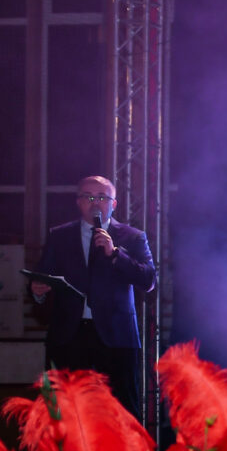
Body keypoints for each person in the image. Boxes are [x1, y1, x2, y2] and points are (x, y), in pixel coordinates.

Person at [29, 175, 156, 420]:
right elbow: (42, 275)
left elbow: (149, 281)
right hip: (69, 335)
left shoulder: (132, 237)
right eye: (88, 197)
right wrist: (37, 291)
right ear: (78, 202)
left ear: (114, 204)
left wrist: (115, 253)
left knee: (122, 412)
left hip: (116, 336)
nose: (95, 203)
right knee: (66, 412)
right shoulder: (59, 236)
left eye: (101, 197)